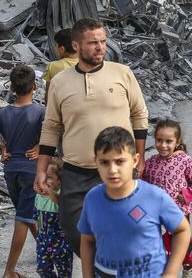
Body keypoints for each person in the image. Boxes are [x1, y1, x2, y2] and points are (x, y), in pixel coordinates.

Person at [35, 17, 149, 255]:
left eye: (103, 41)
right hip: (76, 170)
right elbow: (51, 126)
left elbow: (139, 114)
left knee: (121, 229)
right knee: (74, 228)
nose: (100, 48)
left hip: (117, 169)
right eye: (92, 43)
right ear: (76, 46)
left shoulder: (122, 73)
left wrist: (140, 156)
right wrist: (41, 169)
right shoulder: (59, 82)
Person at [78, 126, 191, 278]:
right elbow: (87, 240)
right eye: (104, 162)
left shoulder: (154, 196)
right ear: (95, 162)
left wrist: (170, 274)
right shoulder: (92, 198)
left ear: (135, 160)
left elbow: (182, 230)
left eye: (120, 161)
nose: (112, 170)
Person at [0, 65, 44, 278]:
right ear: (34, 86)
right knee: (24, 216)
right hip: (31, 170)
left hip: (11, 170)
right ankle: (9, 271)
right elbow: (58, 130)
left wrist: (2, 146)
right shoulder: (41, 112)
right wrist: (40, 147)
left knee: (27, 212)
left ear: (12, 88)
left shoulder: (3, 113)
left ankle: (43, 250)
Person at [143, 120, 192, 278]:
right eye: (159, 140)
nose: (163, 145)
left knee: (182, 245)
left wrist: (189, 194)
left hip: (178, 212)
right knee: (162, 247)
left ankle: (189, 264)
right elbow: (142, 181)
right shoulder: (151, 162)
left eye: (169, 141)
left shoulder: (184, 161)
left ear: (177, 142)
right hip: (156, 214)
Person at [34, 159, 73, 278]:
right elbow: (36, 217)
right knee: (42, 269)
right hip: (43, 242)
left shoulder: (63, 194)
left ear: (60, 179)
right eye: (42, 176)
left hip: (62, 244)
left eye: (49, 177)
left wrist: (49, 190)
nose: (44, 180)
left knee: (64, 273)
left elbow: (59, 201)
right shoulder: (39, 196)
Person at [43, 29, 78, 95]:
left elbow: (49, 95)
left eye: (56, 45)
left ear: (62, 49)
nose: (55, 48)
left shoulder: (53, 66)